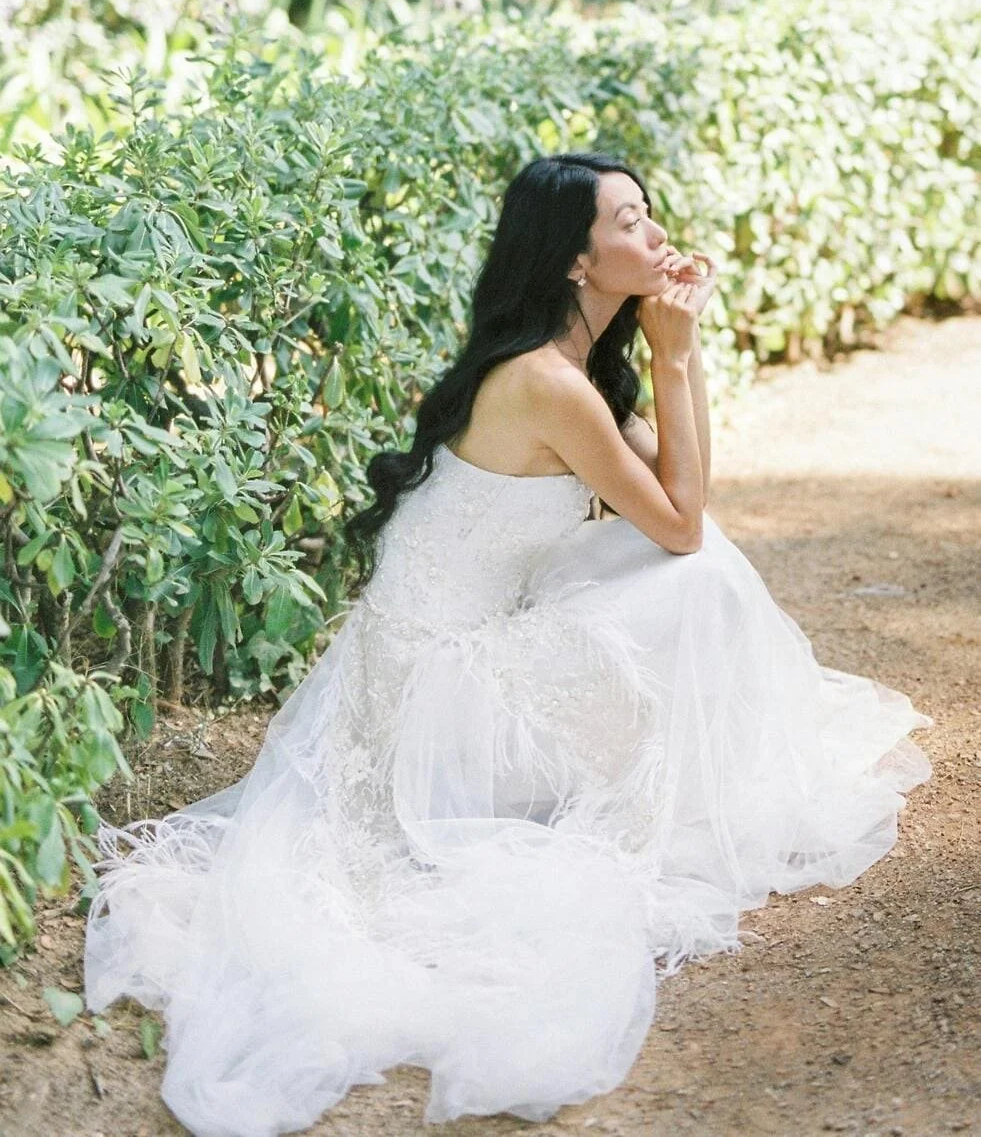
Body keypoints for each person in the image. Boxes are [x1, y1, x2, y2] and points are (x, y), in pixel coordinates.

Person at [83, 152, 931, 1137]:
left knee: (686, 568)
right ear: (577, 260)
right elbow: (684, 526)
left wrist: (676, 351)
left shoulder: (569, 378)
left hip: (441, 671)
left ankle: (688, 773)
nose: (656, 236)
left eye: (652, 216)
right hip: (436, 704)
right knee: (695, 577)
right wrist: (672, 353)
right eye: (632, 221)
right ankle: (700, 782)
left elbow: (685, 500)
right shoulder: (544, 384)